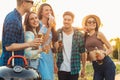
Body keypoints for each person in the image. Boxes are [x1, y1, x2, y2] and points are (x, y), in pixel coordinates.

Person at [1, 0, 41, 66]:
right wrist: (30, 44)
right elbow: (8, 46)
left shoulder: (17, 18)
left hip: (15, 64)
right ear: (24, 3)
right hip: (11, 65)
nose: (32, 5)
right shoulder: (13, 19)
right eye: (31, 2)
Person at [82, 14, 116, 80]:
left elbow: (111, 48)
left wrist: (104, 54)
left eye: (94, 22)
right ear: (86, 24)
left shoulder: (99, 34)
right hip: (96, 66)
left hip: (107, 64)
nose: (92, 23)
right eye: (89, 22)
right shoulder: (85, 37)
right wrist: (83, 28)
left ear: (96, 24)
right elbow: (73, 29)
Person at [55, 11, 86, 80]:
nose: (66, 21)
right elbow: (54, 50)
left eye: (69, 20)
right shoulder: (58, 32)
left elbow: (83, 52)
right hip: (61, 67)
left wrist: (84, 68)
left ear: (72, 21)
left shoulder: (79, 35)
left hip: (74, 67)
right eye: (65, 19)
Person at [37, 3, 57, 80]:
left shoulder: (50, 25)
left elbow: (50, 44)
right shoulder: (38, 24)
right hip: (41, 55)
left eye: (50, 10)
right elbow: (41, 42)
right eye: (46, 10)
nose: (49, 12)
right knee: (45, 77)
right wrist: (50, 27)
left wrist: (54, 63)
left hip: (49, 55)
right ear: (41, 12)